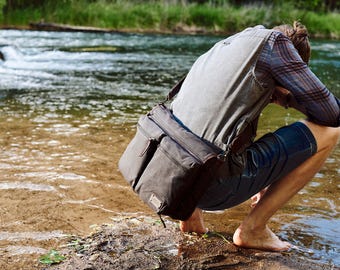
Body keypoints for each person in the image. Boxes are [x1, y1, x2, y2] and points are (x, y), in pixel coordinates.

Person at [170, 21, 340, 251]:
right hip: (209, 189)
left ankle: (189, 216)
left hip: (164, 177)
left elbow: (217, 125)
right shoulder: (277, 47)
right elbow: (332, 115)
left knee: (203, 128)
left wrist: (265, 178)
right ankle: (254, 229)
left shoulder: (230, 47)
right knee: (330, 133)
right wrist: (290, 96)